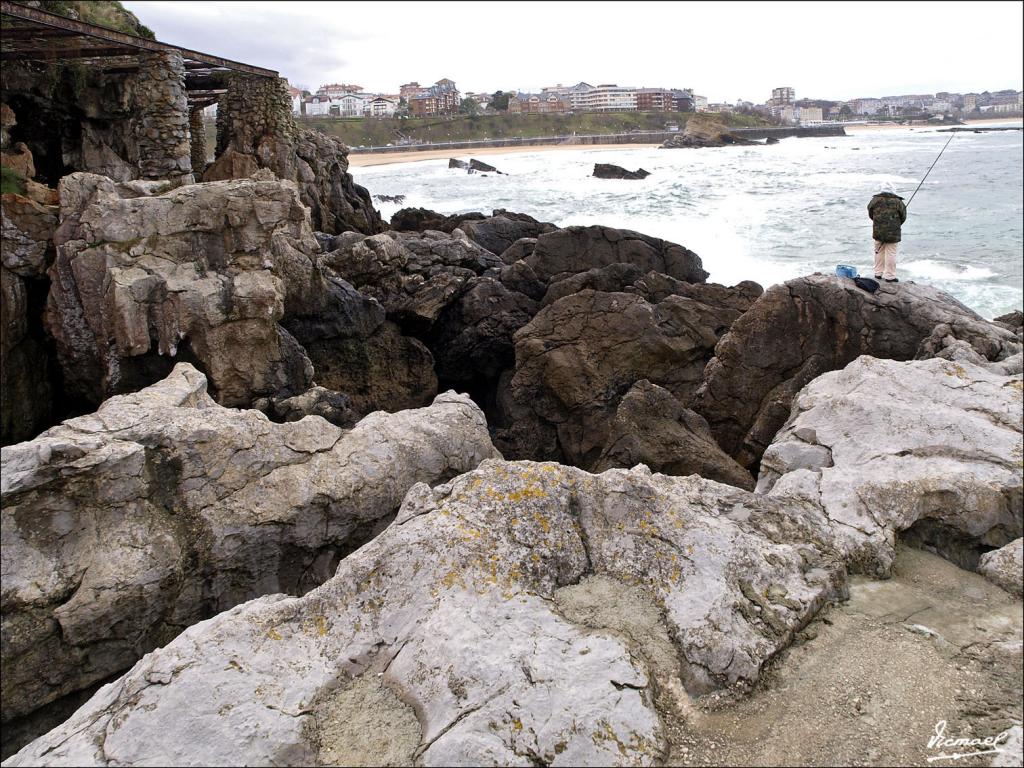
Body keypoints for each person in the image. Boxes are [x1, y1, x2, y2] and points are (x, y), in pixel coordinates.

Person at [867, 181, 907, 283]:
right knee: (891, 253)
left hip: (878, 231)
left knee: (878, 251)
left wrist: (878, 222)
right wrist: (896, 224)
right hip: (893, 232)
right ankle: (890, 276)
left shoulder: (874, 200)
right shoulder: (898, 202)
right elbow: (903, 216)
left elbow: (870, 213)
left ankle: (878, 273)